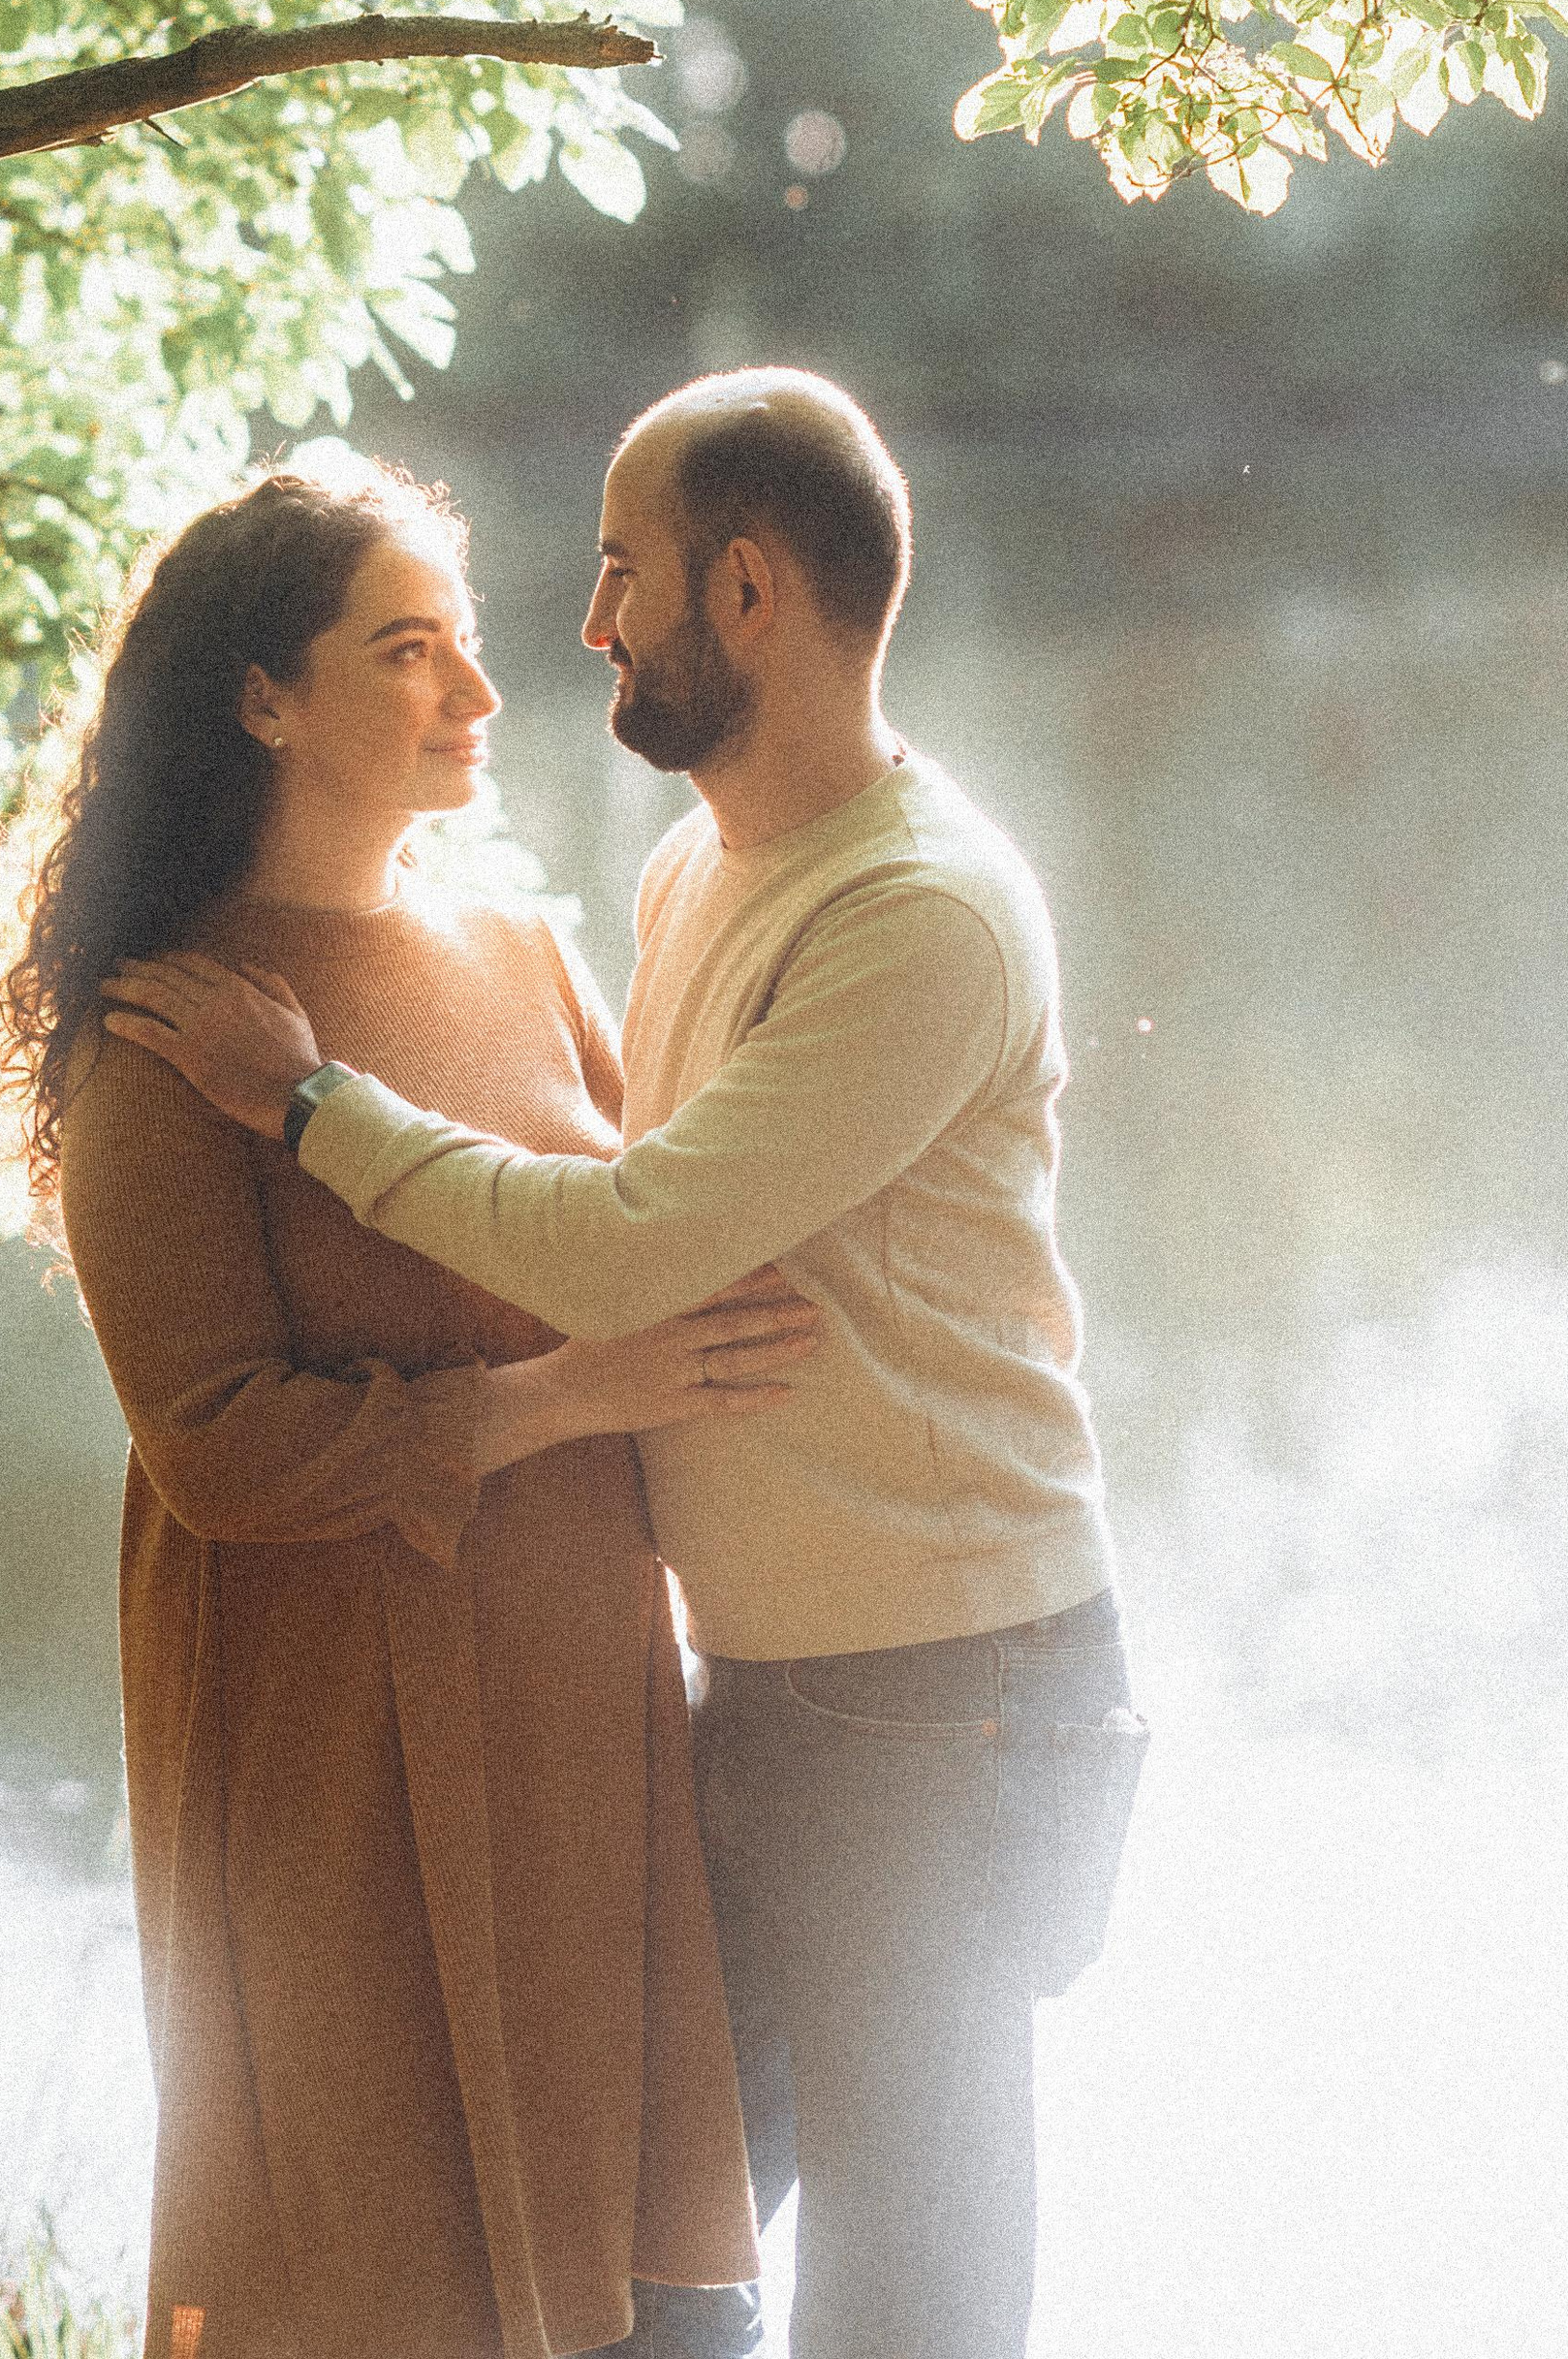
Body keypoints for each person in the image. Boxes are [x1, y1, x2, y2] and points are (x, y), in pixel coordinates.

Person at [103, 372, 1147, 2359]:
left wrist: (311, 1106)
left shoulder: (921, 913)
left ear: (743, 590)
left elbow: (620, 1246)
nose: (579, 631)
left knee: (904, 2300)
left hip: (938, 1689)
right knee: (639, 2263)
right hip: (745, 1685)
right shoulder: (689, 877)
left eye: (617, 574)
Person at [0, 457, 806, 2359]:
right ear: (262, 696)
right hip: (331, 1739)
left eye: (467, 641)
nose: (478, 690)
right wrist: (561, 1396)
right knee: (381, 2253)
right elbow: (216, 1444)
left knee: (645, 2265)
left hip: (584, 1694)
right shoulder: (165, 1029)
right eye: (407, 649)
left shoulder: (518, 951)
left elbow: (654, 1239)